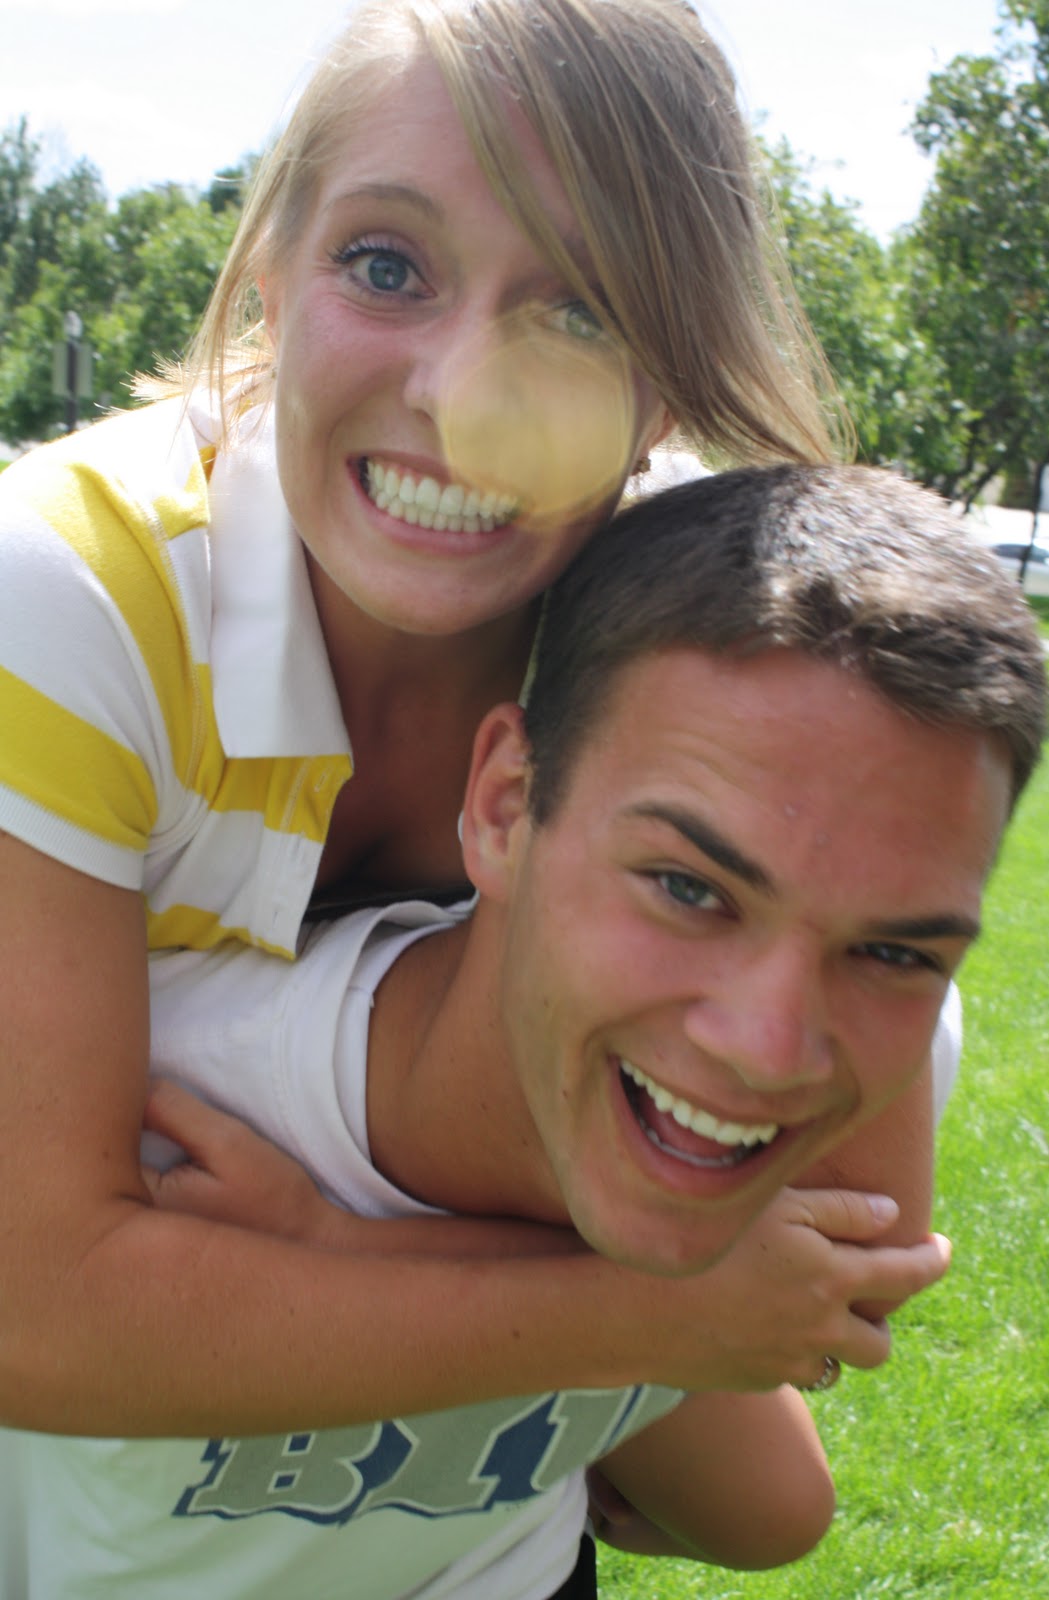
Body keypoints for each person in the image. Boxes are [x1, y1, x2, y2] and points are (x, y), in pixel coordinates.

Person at [0, 0, 919, 1461]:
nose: (456, 398)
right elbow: (35, 1313)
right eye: (385, 265)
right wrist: (643, 1318)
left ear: (663, 386)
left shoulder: (684, 643)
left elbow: (833, 1265)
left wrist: (323, 1262)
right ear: (271, 277)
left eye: (581, 311)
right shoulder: (69, 593)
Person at [8, 464, 1047, 1597]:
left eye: (894, 951)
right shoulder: (173, 1113)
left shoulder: (862, 1062)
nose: (766, 1047)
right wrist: (651, 1317)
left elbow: (781, 1468)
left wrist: (347, 1251)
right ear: (502, 805)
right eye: (686, 888)